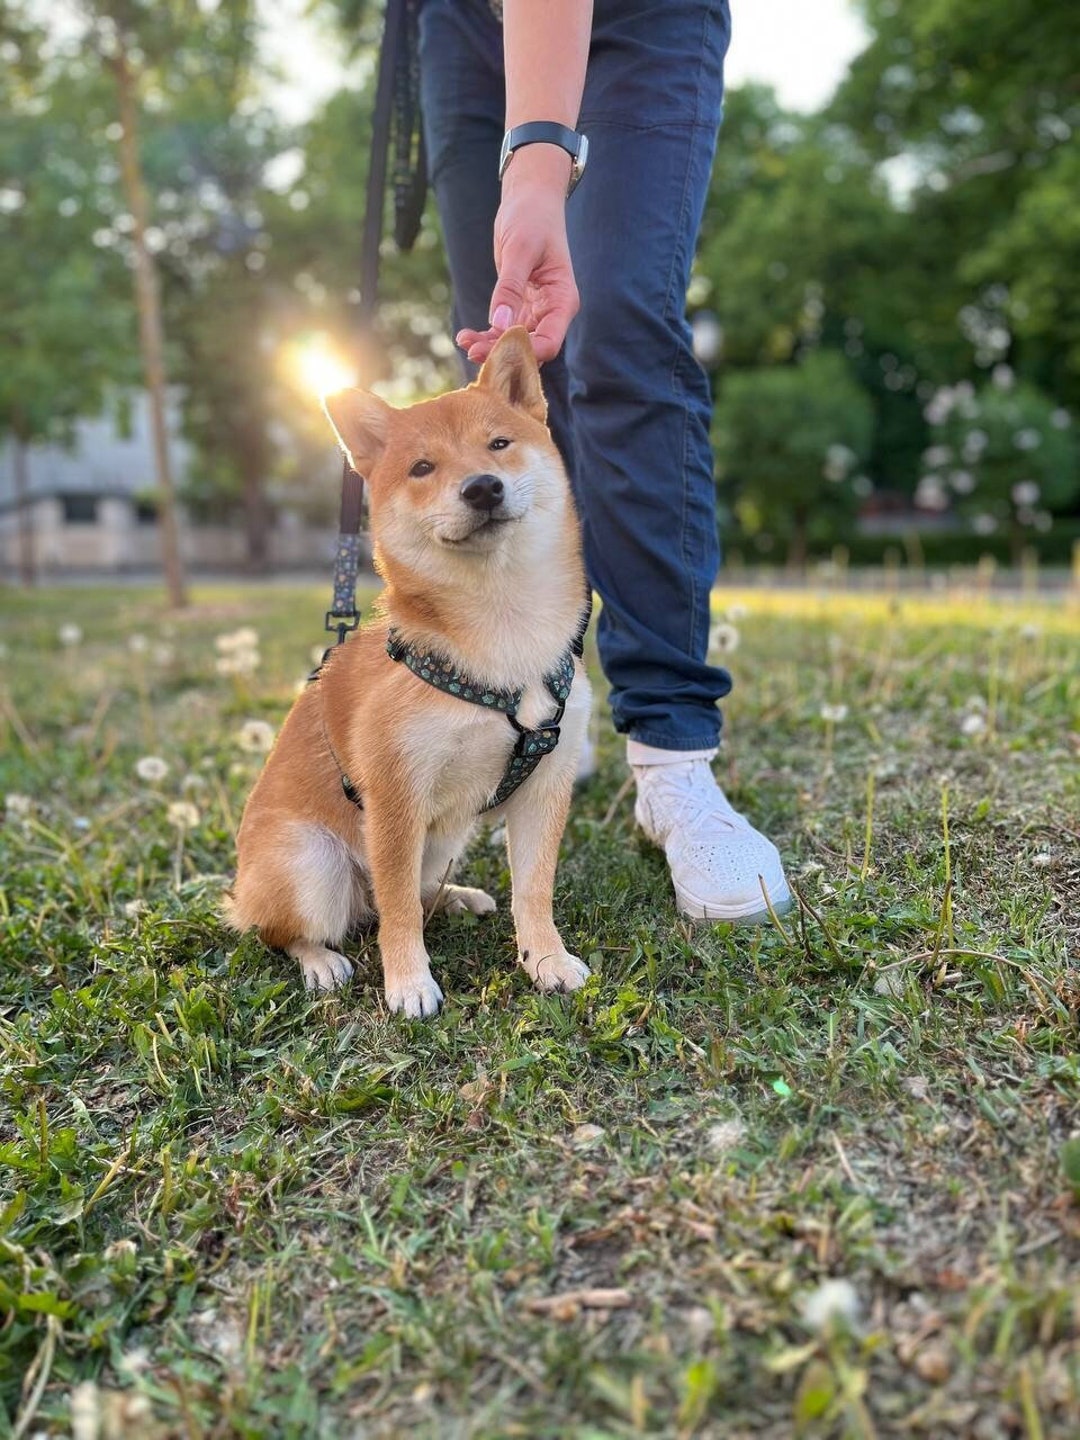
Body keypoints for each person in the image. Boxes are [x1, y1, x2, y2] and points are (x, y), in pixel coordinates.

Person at [417, 0, 791, 923]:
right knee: (519, 370)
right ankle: (551, 686)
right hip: (465, 25)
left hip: (642, 16)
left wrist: (540, 158)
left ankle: (672, 757)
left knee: (618, 326)